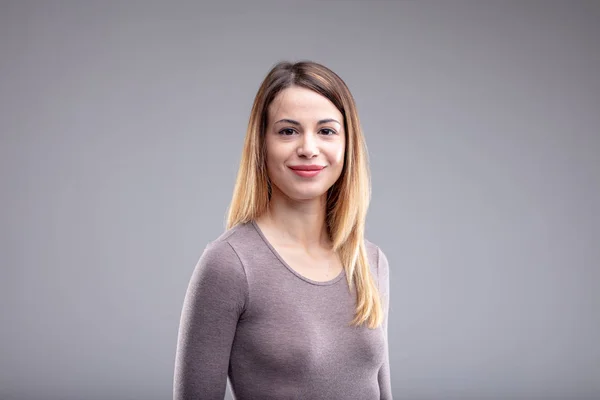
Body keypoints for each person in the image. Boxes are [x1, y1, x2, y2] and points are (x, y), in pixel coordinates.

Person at [173, 60, 392, 399]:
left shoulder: (370, 261)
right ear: (261, 144)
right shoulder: (230, 264)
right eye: (288, 131)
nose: (308, 148)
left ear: (348, 146)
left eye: (326, 131)